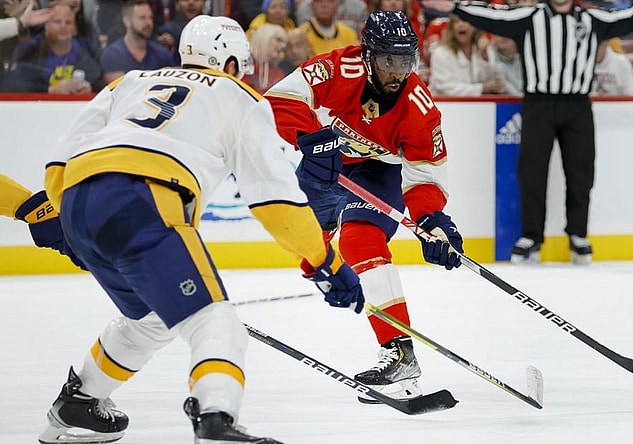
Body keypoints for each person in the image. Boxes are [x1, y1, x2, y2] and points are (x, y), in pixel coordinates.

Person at [37, 14, 363, 444]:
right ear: (229, 62)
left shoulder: (131, 80)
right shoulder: (240, 96)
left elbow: (60, 160)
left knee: (153, 320)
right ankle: (216, 417)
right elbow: (277, 203)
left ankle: (79, 403)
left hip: (78, 200)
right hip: (144, 201)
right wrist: (326, 259)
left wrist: (75, 219)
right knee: (215, 321)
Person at [264, 10, 464, 401]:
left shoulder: (419, 109)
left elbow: (424, 178)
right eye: (389, 60)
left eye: (406, 61)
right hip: (327, 161)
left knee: (361, 242)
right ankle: (328, 274)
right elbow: (280, 99)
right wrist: (309, 137)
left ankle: (399, 353)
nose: (398, 72)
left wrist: (433, 222)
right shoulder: (337, 69)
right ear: (368, 55)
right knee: (307, 244)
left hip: (377, 174)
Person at [422, 0, 633, 265]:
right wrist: (455, 6)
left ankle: (578, 235)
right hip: (538, 104)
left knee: (581, 172)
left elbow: (630, 17)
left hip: (577, 105)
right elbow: (492, 15)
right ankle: (531, 236)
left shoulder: (591, 18)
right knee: (532, 172)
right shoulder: (530, 17)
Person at [3, 0, 102, 93]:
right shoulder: (28, 49)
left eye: (68, 22)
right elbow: (14, 86)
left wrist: (90, 88)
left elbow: (99, 80)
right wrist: (50, 90)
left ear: (75, 28)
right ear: (46, 25)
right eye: (57, 21)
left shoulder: (86, 47)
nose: (63, 26)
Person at [428, 13, 504, 95]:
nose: (461, 25)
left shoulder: (484, 49)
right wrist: (482, 88)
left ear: (475, 27)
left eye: (465, 21)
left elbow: (491, 79)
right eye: (456, 22)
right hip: (444, 104)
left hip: (477, 105)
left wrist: (484, 54)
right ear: (452, 28)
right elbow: (444, 87)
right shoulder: (441, 53)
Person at [99, 0, 174, 84]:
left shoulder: (162, 54)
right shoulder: (112, 54)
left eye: (150, 18)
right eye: (142, 18)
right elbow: (119, 89)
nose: (148, 23)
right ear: (127, 21)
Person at [245, 22, 287, 92]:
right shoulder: (243, 67)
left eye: (284, 42)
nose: (283, 46)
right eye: (278, 40)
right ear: (264, 39)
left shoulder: (279, 73)